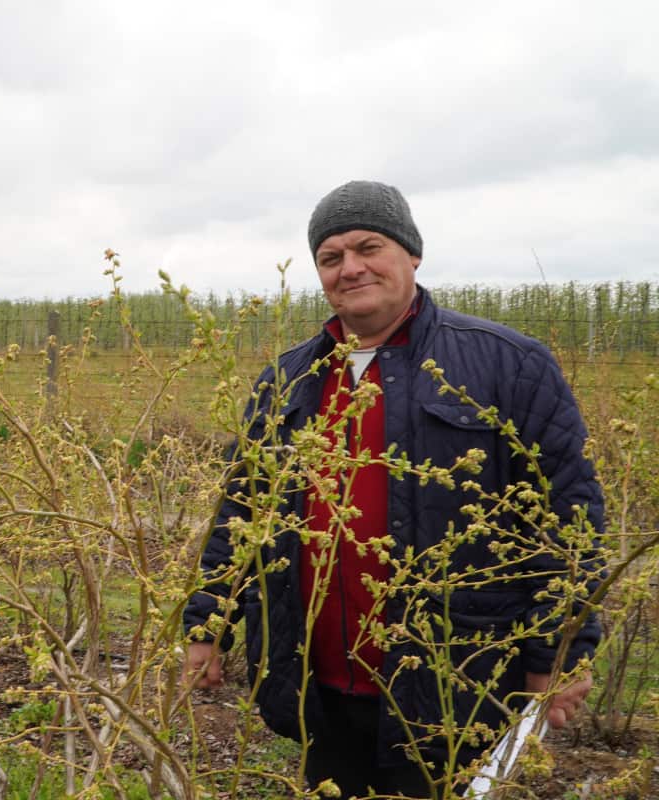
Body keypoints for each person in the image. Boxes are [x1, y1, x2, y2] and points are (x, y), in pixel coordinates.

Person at [182, 180, 603, 798]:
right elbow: (242, 513)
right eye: (331, 257)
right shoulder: (289, 380)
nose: (350, 268)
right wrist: (206, 625)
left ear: (411, 254)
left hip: (455, 683)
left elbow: (571, 520)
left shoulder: (507, 365)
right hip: (317, 688)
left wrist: (560, 651)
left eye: (368, 246)